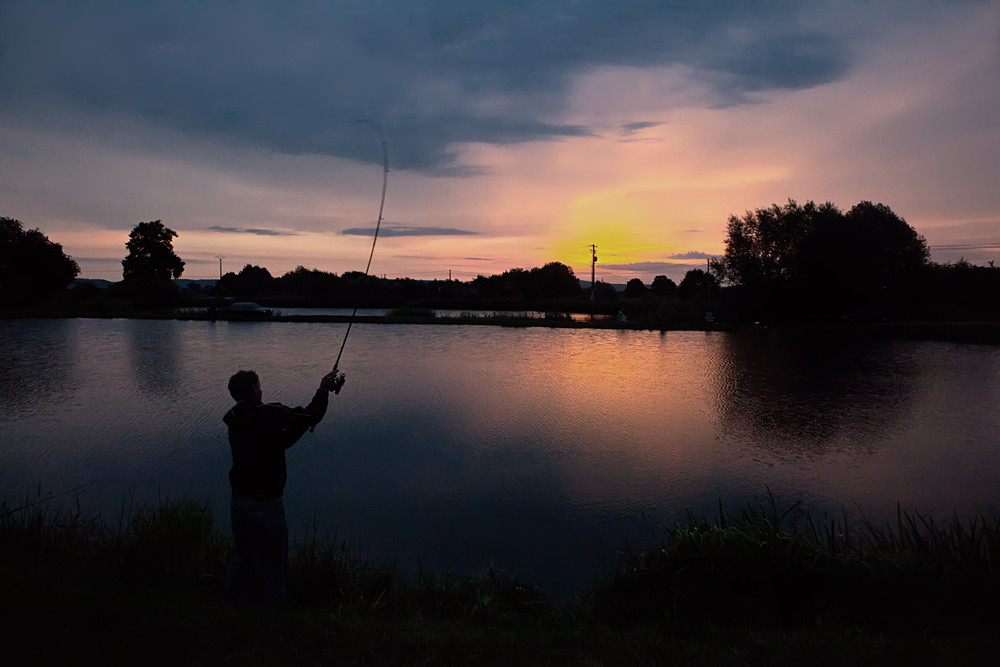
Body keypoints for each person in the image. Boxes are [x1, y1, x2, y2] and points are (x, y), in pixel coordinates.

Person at [223, 367, 345, 605]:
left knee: (241, 557)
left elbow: (277, 442)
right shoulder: (269, 413)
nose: (262, 389)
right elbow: (310, 416)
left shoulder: (235, 419)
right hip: (267, 504)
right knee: (273, 561)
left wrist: (298, 429)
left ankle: (232, 606)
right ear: (253, 391)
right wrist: (323, 389)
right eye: (258, 386)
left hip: (238, 502)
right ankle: (273, 613)